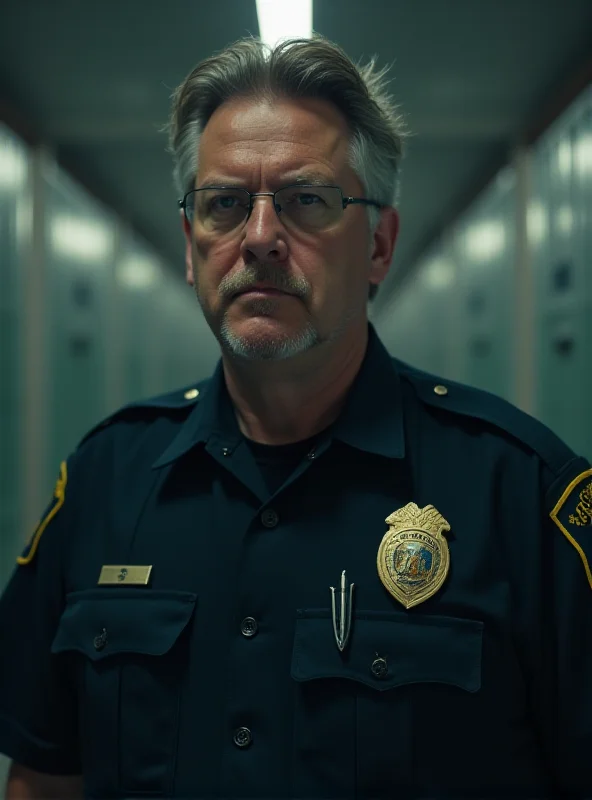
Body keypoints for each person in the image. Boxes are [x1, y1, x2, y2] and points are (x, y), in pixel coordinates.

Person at [1, 34, 591, 800]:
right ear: (191, 245)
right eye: (224, 204)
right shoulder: (104, 481)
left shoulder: (520, 494)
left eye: (307, 200)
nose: (259, 238)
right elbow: (46, 778)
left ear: (379, 246)